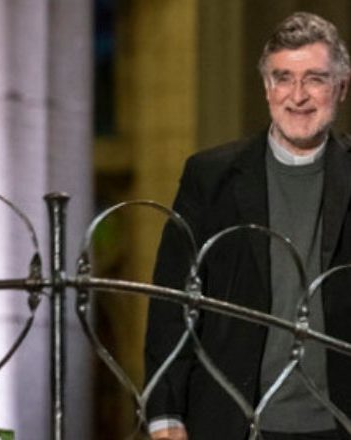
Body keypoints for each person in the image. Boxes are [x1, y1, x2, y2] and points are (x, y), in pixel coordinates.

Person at [145, 11, 351, 440]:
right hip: (232, 421)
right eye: (283, 78)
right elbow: (173, 299)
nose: (298, 95)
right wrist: (165, 411)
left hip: (339, 422)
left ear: (341, 87)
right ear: (266, 87)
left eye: (314, 79)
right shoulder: (210, 176)